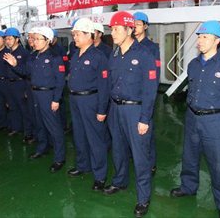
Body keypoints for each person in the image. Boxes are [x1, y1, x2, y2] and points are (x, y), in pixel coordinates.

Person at [170, 20, 220, 218]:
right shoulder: (193, 65)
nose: (199, 41)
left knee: (218, 164)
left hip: (216, 122)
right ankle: (188, 187)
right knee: (189, 157)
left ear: (217, 40)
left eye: (204, 37)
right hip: (193, 118)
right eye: (199, 36)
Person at [103, 11, 158, 217]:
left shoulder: (145, 55)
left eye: (117, 29)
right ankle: (120, 181)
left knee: (140, 155)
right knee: (117, 149)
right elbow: (110, 83)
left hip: (136, 110)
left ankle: (143, 198)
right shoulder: (114, 54)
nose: (113, 33)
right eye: (112, 29)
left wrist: (145, 118)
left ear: (129, 30)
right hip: (116, 109)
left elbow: (150, 89)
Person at [4, 27, 67, 173]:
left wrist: (56, 99)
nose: (34, 42)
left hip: (48, 95)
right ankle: (42, 148)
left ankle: (59, 158)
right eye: (34, 39)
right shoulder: (33, 56)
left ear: (48, 40)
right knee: (39, 124)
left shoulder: (54, 58)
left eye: (38, 39)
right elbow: (26, 72)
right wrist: (15, 65)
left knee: (54, 128)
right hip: (35, 94)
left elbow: (60, 81)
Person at [67, 18, 110, 191]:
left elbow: (104, 85)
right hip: (75, 100)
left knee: (95, 139)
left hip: (91, 101)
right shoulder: (76, 55)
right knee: (79, 135)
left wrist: (102, 109)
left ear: (88, 35)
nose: (75, 38)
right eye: (74, 35)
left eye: (77, 34)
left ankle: (100, 176)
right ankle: (83, 165)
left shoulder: (98, 57)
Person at [133, 11, 161, 176]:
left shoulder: (152, 48)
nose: (135, 27)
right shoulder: (127, 45)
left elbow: (155, 75)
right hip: (131, 94)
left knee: (147, 131)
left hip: (145, 95)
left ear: (145, 26)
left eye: (138, 24)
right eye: (133, 24)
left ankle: (150, 163)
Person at [4, 27, 30, 137]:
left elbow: (27, 71)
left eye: (10, 38)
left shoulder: (24, 53)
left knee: (24, 110)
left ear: (17, 39)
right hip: (10, 84)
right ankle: (16, 128)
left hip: (20, 84)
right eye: (6, 39)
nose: (7, 41)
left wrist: (26, 88)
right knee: (13, 107)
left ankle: (28, 132)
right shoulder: (7, 53)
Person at [50, 29, 70, 133]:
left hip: (59, 79)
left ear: (56, 38)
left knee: (60, 103)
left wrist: (64, 76)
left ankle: (64, 124)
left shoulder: (60, 49)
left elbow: (65, 63)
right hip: (51, 82)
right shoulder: (47, 49)